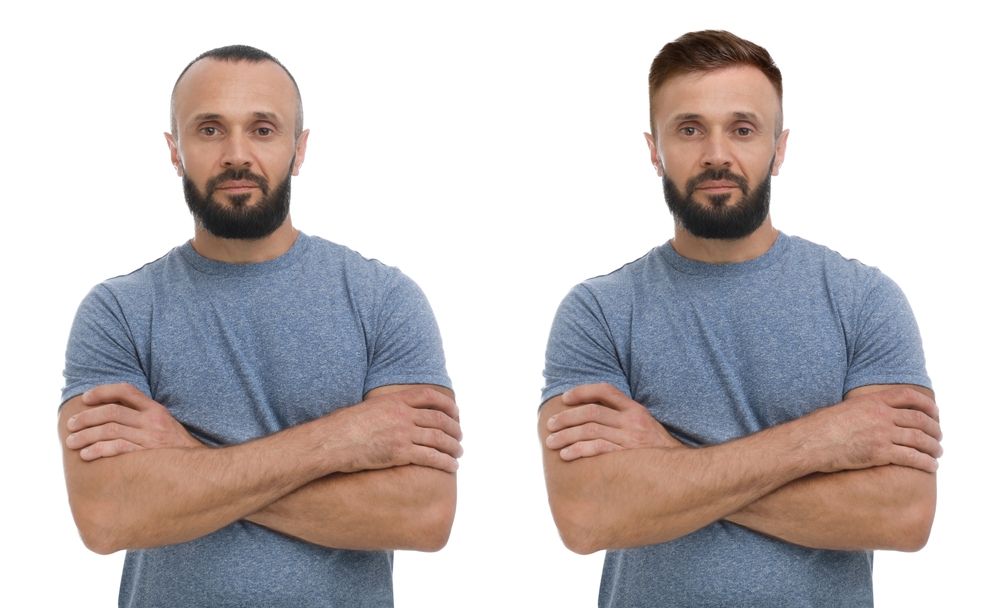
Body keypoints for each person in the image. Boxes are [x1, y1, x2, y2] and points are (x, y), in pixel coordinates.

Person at [538, 30, 941, 607]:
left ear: (779, 148)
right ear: (654, 150)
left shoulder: (864, 300)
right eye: (690, 128)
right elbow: (586, 515)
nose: (717, 154)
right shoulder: (599, 311)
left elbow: (903, 514)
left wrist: (668, 466)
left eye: (743, 129)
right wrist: (822, 441)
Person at [57, 45, 462, 608]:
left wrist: (186, 461)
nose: (237, 154)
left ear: (299, 149)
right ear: (175, 151)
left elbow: (423, 514)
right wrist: (341, 441)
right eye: (210, 129)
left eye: (264, 129)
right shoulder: (119, 311)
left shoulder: (384, 300)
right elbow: (106, 516)